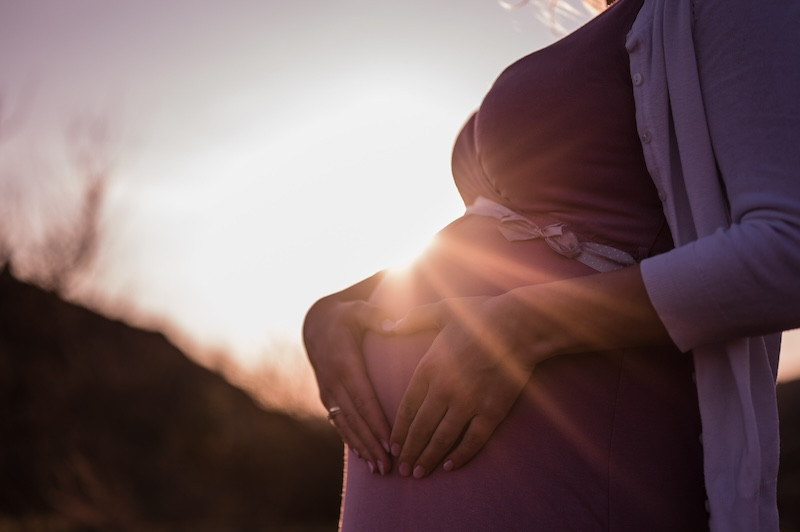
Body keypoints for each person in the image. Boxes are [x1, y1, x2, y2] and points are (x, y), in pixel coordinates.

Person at [303, 0, 800, 530]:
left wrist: (526, 326)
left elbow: (786, 251)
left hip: (579, 473)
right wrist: (333, 312)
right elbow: (495, 246)